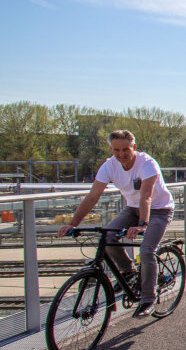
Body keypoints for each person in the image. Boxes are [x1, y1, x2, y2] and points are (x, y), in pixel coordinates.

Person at [57, 130, 175, 318]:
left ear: (134, 147)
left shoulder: (147, 163)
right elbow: (93, 196)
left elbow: (147, 196)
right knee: (109, 236)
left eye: (126, 149)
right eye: (116, 150)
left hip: (159, 209)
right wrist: (73, 224)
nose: (121, 154)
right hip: (132, 208)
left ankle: (148, 299)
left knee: (146, 251)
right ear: (111, 149)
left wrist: (143, 224)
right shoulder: (109, 166)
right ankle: (128, 272)